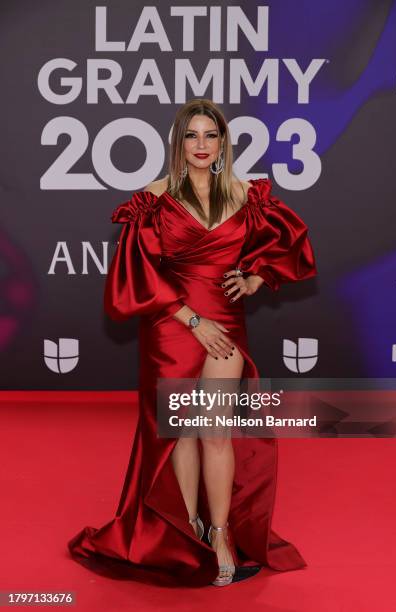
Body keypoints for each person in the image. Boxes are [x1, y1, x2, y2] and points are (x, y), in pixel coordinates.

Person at [68, 98, 317, 588]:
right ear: (178, 143)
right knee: (180, 432)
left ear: (223, 142)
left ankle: (221, 533)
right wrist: (191, 318)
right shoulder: (153, 198)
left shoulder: (247, 194)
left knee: (215, 431)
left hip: (224, 322)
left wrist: (255, 278)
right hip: (171, 322)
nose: (201, 145)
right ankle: (188, 532)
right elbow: (136, 274)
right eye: (192, 136)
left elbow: (293, 245)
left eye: (210, 135)